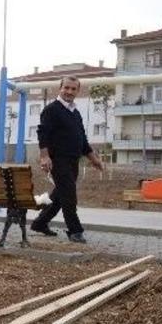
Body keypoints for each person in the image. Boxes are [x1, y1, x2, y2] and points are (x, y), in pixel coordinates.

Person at [30, 76, 104, 243]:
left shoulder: (75, 113)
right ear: (60, 88)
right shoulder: (51, 110)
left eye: (73, 89)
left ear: (77, 91)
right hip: (58, 160)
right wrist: (44, 156)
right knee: (69, 196)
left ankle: (40, 223)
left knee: (60, 196)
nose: (69, 91)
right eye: (67, 88)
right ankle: (74, 231)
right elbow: (43, 134)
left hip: (73, 160)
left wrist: (94, 159)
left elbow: (82, 140)